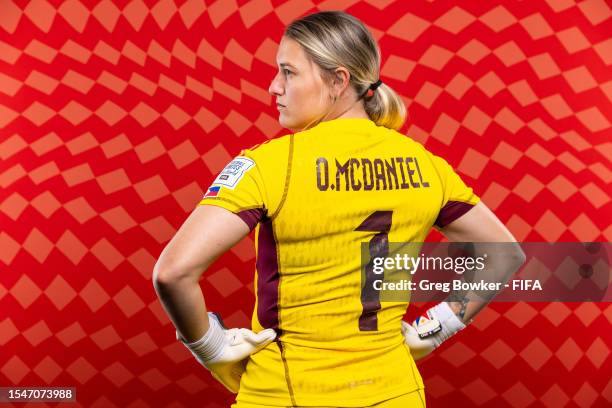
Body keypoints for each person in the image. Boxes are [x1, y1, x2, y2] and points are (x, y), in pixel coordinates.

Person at [153, 10, 525, 408]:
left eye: (289, 72)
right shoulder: (425, 164)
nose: (273, 86)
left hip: (288, 394)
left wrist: (210, 346)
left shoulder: (271, 165)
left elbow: (173, 273)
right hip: (398, 393)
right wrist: (436, 328)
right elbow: (505, 254)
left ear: (338, 80)